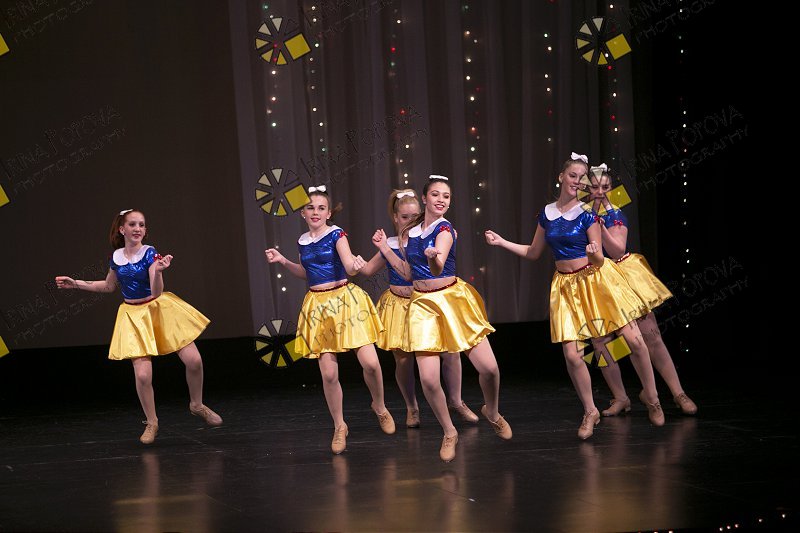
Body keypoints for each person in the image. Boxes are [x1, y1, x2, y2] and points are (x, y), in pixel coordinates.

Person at [485, 154, 664, 440]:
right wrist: (502, 242)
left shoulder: (589, 213)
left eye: (582, 178)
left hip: (596, 280)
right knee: (572, 354)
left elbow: (601, 258)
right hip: (565, 287)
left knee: (633, 340)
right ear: (561, 177)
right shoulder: (547, 214)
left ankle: (652, 398)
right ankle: (590, 411)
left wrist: (594, 255)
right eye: (573, 176)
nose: (577, 182)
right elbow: (533, 252)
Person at [55, 209, 222, 445]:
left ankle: (197, 405)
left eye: (141, 225)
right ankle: (152, 422)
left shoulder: (150, 253)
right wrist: (76, 284)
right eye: (132, 224)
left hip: (159, 310)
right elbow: (108, 286)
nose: (138, 229)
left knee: (194, 360)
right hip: (133, 316)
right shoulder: (116, 257)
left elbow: (156, 292)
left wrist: (159, 272)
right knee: (143, 376)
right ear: (121, 229)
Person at [264, 185, 396, 455]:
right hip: (318, 306)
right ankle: (339, 425)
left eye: (321, 208)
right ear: (303, 212)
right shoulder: (302, 241)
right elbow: (306, 272)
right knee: (328, 373)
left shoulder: (337, 234)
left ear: (328, 212)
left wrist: (355, 266)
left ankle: (380, 406)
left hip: (345, 302)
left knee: (371, 364)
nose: (316, 212)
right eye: (310, 208)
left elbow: (348, 265)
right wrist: (283, 261)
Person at [391, 175, 512, 462]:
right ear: (424, 198)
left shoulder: (445, 229)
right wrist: (385, 249)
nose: (441, 200)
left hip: (452, 301)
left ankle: (492, 411)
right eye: (435, 194)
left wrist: (433, 257)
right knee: (429, 379)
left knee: (490, 369)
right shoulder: (411, 232)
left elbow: (438, 267)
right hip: (422, 305)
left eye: (446, 196)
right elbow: (408, 273)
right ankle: (449, 431)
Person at [359, 188, 479, 429]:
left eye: (415, 216)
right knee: (403, 361)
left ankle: (456, 401)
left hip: (426, 302)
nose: (410, 221)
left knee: (450, 353)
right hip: (399, 306)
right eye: (404, 217)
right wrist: (351, 261)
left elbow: (437, 257)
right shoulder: (391, 244)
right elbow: (368, 270)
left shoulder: (425, 237)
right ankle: (412, 407)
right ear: (395, 217)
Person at [587, 166, 697, 416]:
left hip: (624, 277)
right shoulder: (581, 214)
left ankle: (678, 392)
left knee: (650, 336)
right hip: (597, 282)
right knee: (601, 345)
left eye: (605, 187)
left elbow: (616, 250)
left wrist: (600, 227)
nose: (600, 192)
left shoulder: (614, 213)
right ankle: (620, 397)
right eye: (595, 187)